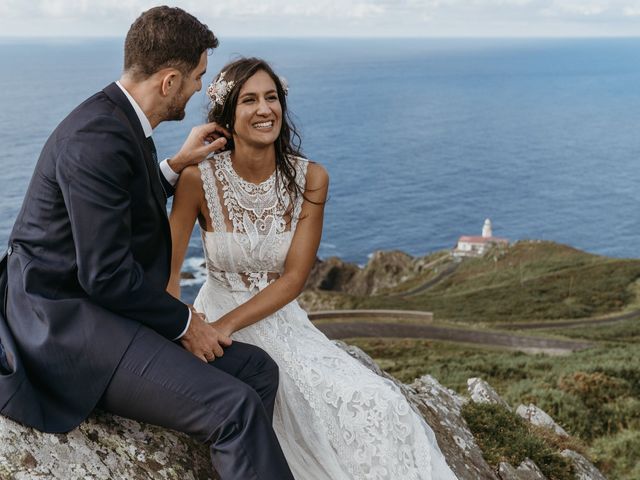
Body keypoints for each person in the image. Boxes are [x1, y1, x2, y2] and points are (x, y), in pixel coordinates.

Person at [0, 7, 294, 479]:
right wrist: (185, 324)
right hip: (68, 325)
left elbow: (114, 207)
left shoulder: (118, 119)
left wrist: (175, 166)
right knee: (233, 407)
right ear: (169, 80)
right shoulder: (97, 137)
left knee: (256, 370)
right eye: (197, 77)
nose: (201, 87)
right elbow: (106, 275)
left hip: (99, 307)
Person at [168, 57, 459, 480]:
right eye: (249, 100)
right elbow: (170, 272)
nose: (264, 109)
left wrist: (225, 326)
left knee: (378, 403)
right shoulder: (198, 178)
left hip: (280, 319)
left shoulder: (311, 178)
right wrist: (187, 330)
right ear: (227, 114)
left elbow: (293, 278)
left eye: (272, 97)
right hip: (213, 312)